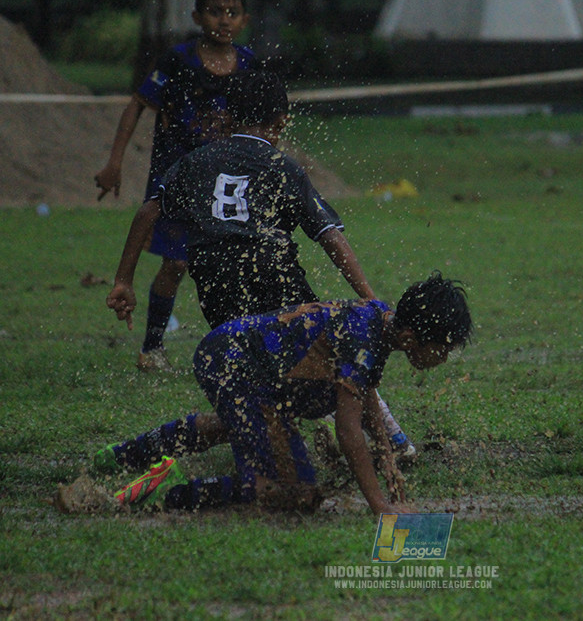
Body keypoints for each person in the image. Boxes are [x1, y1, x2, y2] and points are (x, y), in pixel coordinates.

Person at [104, 67, 417, 458]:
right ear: (282, 121)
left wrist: (123, 280)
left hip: (216, 286)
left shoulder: (197, 160)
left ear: (228, 117)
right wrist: (369, 298)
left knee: (260, 373)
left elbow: (148, 212)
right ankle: (394, 442)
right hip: (272, 275)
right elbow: (330, 237)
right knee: (340, 350)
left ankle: (144, 450)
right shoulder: (282, 166)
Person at [107, 272, 472, 515]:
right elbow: (347, 430)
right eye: (443, 347)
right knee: (297, 492)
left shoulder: (379, 320)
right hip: (236, 366)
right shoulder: (365, 338)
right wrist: (380, 506)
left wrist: (387, 457)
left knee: (240, 426)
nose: (445, 356)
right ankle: (176, 487)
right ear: (411, 338)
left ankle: (123, 456)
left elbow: (368, 395)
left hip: (243, 365)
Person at [94, 0, 255, 372]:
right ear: (198, 16)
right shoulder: (177, 60)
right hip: (175, 176)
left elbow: (259, 120)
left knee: (231, 262)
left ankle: (237, 349)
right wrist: (114, 162)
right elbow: (137, 104)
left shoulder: (249, 65)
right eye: (215, 12)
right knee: (177, 263)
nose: (224, 20)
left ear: (244, 20)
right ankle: (153, 348)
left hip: (224, 181)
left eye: (232, 13)